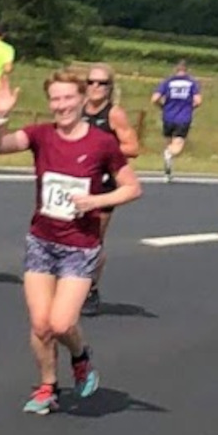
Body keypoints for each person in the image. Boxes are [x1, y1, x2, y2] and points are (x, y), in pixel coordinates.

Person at [0, 71, 142, 415]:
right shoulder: (41, 135)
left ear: (83, 99)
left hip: (79, 246)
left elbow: (132, 187)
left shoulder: (102, 142)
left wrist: (96, 202)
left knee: (60, 324)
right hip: (42, 240)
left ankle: (80, 356)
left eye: (68, 98)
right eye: (55, 99)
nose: (62, 106)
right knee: (41, 324)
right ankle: (48, 387)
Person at [79, 63, 140, 316]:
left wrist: (103, 148)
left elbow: (133, 147)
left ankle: (91, 287)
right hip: (75, 181)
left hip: (103, 184)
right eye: (91, 82)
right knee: (69, 235)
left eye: (101, 83)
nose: (95, 87)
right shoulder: (76, 108)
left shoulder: (114, 114)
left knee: (93, 239)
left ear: (109, 87)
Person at [151, 60, 202, 182]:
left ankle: (168, 173)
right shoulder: (192, 83)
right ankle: (169, 154)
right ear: (187, 70)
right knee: (177, 145)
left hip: (167, 116)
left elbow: (154, 99)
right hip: (183, 117)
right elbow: (198, 101)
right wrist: (191, 107)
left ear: (175, 70)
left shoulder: (168, 82)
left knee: (169, 142)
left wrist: (162, 106)